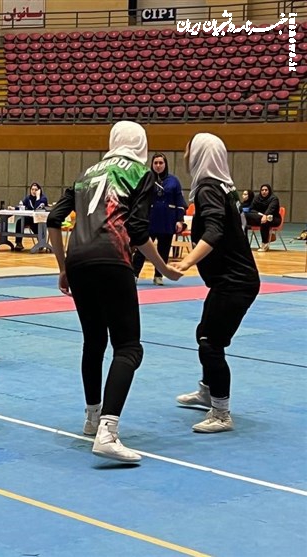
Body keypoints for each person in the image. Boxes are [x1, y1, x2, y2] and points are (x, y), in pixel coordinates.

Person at [46, 121, 181, 463]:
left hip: (78, 259)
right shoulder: (140, 173)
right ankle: (108, 431)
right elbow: (137, 230)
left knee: (94, 341)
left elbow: (53, 220)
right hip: (112, 257)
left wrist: (63, 266)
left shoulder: (86, 173)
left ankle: (92, 417)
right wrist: (163, 267)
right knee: (129, 347)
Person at [172, 133, 260, 433]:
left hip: (235, 282)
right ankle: (208, 390)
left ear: (200, 155)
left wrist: (186, 262)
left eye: (188, 150)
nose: (185, 155)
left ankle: (221, 413)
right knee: (204, 334)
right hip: (229, 281)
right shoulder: (223, 187)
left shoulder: (209, 188)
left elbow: (214, 231)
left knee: (211, 343)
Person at [131, 153, 186, 286]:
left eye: (161, 163)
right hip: (149, 220)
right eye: (155, 163)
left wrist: (180, 220)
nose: (158, 165)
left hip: (167, 221)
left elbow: (179, 201)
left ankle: (158, 276)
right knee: (141, 249)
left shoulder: (174, 181)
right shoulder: (146, 179)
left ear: (165, 164)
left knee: (164, 250)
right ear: (152, 164)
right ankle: (134, 274)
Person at [245, 183, 281, 252]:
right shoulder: (257, 198)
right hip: (259, 217)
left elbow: (271, 209)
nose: (264, 192)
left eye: (266, 190)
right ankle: (243, 244)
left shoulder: (274, 199)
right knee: (244, 216)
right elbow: (252, 209)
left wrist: (265, 215)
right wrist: (260, 215)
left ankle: (265, 244)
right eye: (262, 190)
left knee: (265, 222)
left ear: (269, 191)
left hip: (273, 218)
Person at [14, 182, 49, 251]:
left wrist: (38, 197)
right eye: (32, 189)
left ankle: (41, 242)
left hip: (40, 219)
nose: (34, 191)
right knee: (19, 222)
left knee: (36, 226)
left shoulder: (43, 199)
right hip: (30, 218)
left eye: (36, 190)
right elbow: (22, 206)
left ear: (39, 190)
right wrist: (14, 208)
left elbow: (37, 208)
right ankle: (18, 243)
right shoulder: (28, 198)